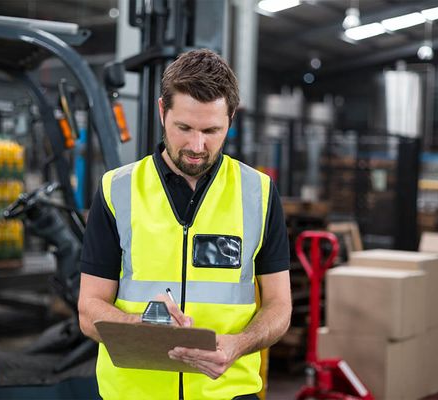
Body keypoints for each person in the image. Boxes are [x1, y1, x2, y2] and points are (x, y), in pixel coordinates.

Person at [78, 48, 291, 400]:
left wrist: (239, 344)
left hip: (228, 393)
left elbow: (280, 306)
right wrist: (140, 328)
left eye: (211, 130)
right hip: (134, 394)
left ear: (231, 119)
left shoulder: (259, 193)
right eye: (184, 128)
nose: (196, 145)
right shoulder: (117, 190)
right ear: (163, 111)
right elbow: (89, 309)